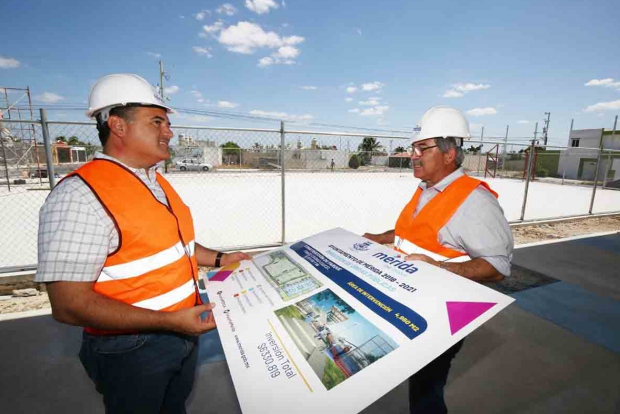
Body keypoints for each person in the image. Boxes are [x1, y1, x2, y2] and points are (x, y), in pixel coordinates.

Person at [35, 73, 250, 414]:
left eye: (167, 123)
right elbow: (68, 305)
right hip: (131, 349)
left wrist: (222, 259)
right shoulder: (79, 196)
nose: (169, 132)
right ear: (118, 125)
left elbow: (175, 245)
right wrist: (170, 322)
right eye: (157, 122)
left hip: (181, 331)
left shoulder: (154, 181)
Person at [363, 106, 513, 414]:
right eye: (413, 148)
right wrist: (382, 238)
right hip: (412, 302)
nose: (413, 155)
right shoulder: (427, 189)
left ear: (449, 154)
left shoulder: (475, 201)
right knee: (418, 385)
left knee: (426, 394)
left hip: (441, 316)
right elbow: (417, 233)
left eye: (422, 148)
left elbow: (498, 267)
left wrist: (440, 268)